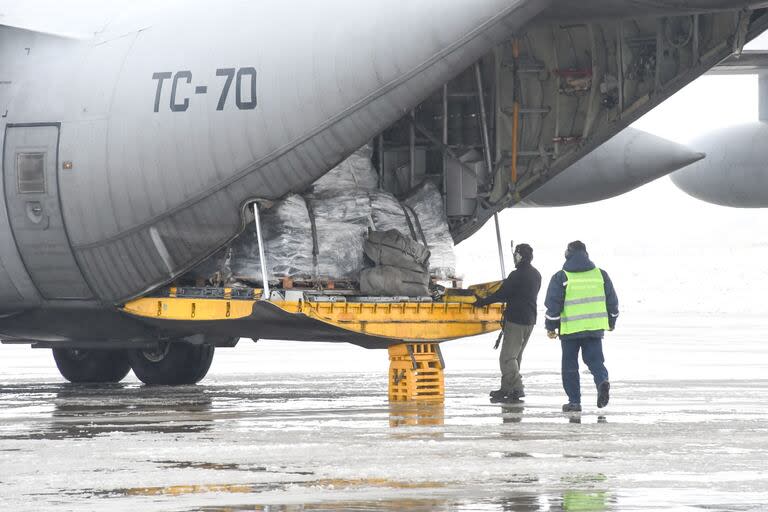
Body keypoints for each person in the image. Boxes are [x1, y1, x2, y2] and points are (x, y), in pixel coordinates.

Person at [544, 241, 619, 413]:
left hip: (570, 329)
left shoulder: (561, 277)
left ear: (568, 254)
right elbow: (612, 302)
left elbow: (553, 305)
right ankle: (602, 382)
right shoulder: (601, 275)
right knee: (595, 361)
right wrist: (612, 321)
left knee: (570, 366)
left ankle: (574, 402)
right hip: (594, 329)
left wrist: (551, 327)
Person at [474, 243, 541, 403]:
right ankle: (507, 389)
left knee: (507, 357)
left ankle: (517, 388)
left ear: (519, 256)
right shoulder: (536, 274)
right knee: (516, 357)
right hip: (530, 320)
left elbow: (503, 294)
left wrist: (483, 302)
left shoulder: (517, 274)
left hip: (516, 320)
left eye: (515, 255)